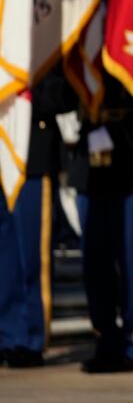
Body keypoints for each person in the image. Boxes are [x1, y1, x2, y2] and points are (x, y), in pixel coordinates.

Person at [68, 76, 133, 373]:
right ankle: (104, 340)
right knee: (95, 263)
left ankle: (129, 344)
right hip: (92, 165)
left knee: (131, 262)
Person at [0, 70, 74, 368]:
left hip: (34, 151)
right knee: (4, 254)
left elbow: (63, 94)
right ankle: (6, 334)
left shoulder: (42, 39)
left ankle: (30, 338)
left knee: (31, 253)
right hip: (3, 147)